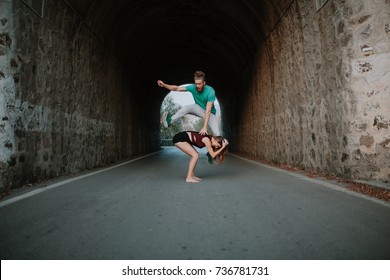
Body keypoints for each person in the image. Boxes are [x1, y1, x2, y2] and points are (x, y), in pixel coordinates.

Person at [157, 71, 220, 136]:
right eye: (196, 84)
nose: (197, 86)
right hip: (198, 108)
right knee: (187, 108)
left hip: (209, 113)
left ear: (204, 83)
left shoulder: (210, 91)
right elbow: (177, 88)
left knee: (217, 134)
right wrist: (164, 85)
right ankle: (170, 121)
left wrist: (204, 127)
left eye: (199, 84)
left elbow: (208, 110)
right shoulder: (193, 87)